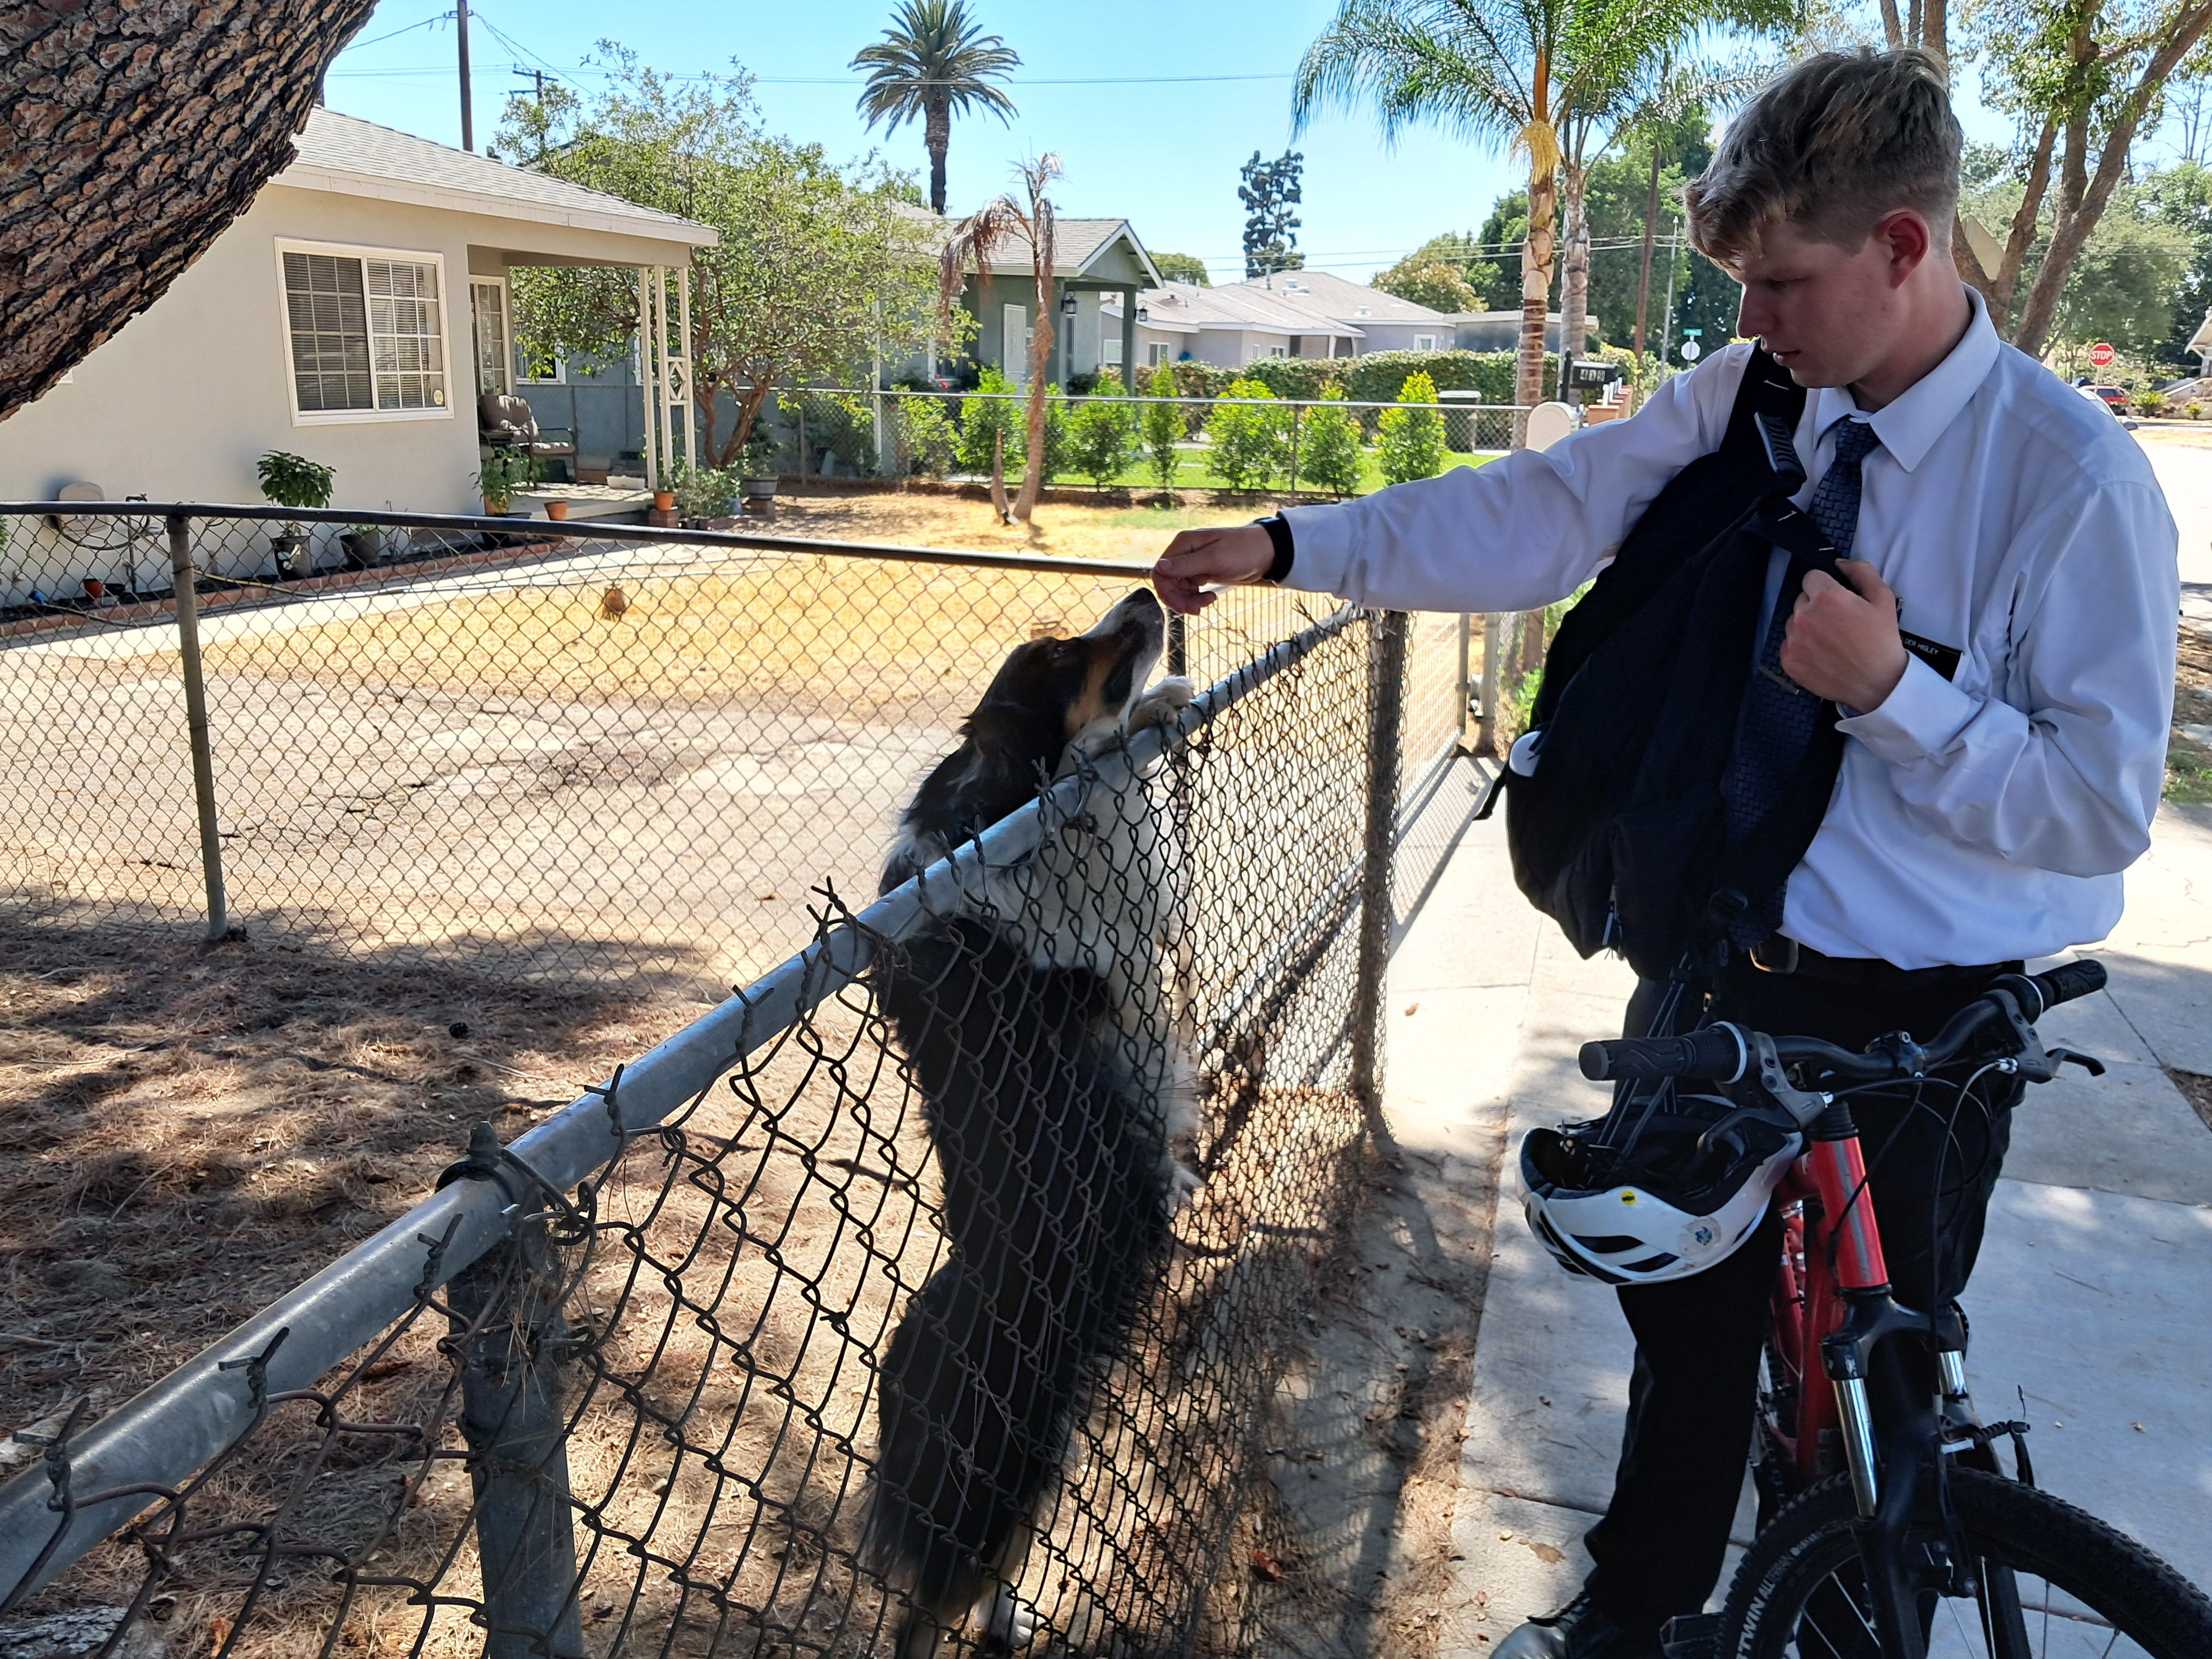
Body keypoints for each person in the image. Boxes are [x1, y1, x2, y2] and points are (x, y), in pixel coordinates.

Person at [1151, 48, 2176, 1659]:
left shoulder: (2071, 483)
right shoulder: (1761, 401)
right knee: (1688, 1346)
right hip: (1720, 975)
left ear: (1907, 249)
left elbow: (2098, 807)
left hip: (1928, 1018)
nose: (1752, 320)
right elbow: (1548, 508)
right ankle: (1632, 1621)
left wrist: (1899, 696)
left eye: (1781, 280)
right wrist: (1295, 544)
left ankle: (1836, 1618)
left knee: (1882, 1387)